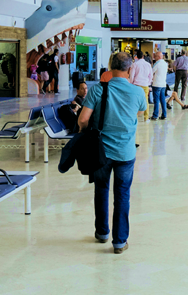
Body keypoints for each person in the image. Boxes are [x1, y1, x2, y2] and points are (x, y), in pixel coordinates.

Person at [77, 52, 147, 254]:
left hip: (101, 152)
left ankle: (101, 233)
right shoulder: (137, 92)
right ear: (130, 68)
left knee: (101, 189)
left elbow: (83, 119)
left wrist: (84, 133)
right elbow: (139, 113)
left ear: (110, 66)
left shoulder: (98, 90)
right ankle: (119, 241)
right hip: (125, 152)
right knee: (122, 194)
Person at [128, 50, 153, 121]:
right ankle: (146, 117)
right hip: (145, 85)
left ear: (136, 57)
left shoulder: (134, 64)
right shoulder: (148, 64)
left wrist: (131, 83)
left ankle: (135, 116)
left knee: (135, 101)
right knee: (145, 101)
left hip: (136, 85)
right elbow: (150, 76)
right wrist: (148, 83)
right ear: (143, 56)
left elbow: (132, 75)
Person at [151, 52, 168, 120]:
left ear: (158, 57)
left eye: (155, 56)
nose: (154, 58)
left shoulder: (157, 63)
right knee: (163, 100)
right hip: (163, 84)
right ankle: (164, 114)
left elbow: (151, 71)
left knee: (156, 100)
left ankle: (155, 115)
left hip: (156, 84)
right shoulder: (165, 63)